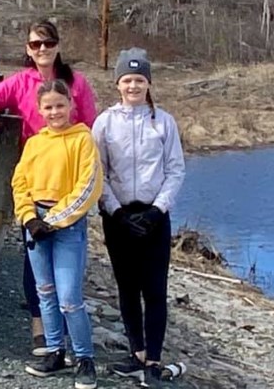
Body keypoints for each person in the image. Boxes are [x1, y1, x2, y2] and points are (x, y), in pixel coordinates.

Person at [0, 20, 98, 356]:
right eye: (35, 44)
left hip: (69, 184)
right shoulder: (19, 83)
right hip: (36, 182)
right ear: (27, 48)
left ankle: (72, 335)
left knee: (67, 260)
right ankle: (41, 330)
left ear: (57, 45)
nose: (42, 49)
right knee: (34, 258)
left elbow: (93, 128)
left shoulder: (76, 84)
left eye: (48, 43)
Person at [92, 48, 186, 389]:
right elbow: (97, 171)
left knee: (155, 290)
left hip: (154, 218)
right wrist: (114, 210)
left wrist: (158, 209)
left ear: (148, 83)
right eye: (127, 80)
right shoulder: (104, 122)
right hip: (118, 218)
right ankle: (137, 353)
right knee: (127, 288)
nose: (134, 86)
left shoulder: (164, 122)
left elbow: (175, 170)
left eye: (140, 80)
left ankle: (154, 361)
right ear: (118, 84)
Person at [11, 79, 102, 388]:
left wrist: (54, 220)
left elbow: (87, 186)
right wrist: (29, 219)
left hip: (67, 226)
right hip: (36, 223)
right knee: (45, 291)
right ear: (39, 110)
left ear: (71, 105)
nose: (54, 112)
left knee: (69, 298)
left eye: (60, 105)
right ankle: (54, 352)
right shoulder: (35, 143)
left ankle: (84, 358)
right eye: (48, 107)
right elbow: (19, 183)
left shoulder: (82, 139)